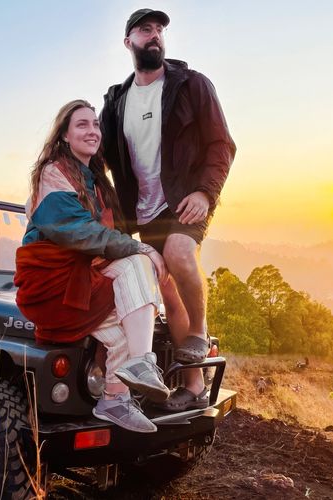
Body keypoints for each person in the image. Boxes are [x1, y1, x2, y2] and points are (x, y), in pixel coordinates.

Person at [100, 9, 236, 411]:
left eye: (159, 29)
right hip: (140, 212)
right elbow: (105, 157)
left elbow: (221, 145)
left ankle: (199, 331)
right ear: (129, 42)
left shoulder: (191, 85)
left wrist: (206, 194)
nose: (155, 35)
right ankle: (192, 386)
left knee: (179, 253)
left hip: (186, 200)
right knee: (166, 291)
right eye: (146, 29)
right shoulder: (116, 101)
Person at [15, 99, 171, 433]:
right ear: (65, 136)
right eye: (82, 124)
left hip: (83, 276)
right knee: (134, 261)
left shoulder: (97, 182)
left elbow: (111, 234)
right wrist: (140, 247)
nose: (92, 130)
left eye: (95, 124)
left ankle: (114, 399)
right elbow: (77, 231)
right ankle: (142, 364)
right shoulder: (53, 173)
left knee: (130, 322)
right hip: (51, 283)